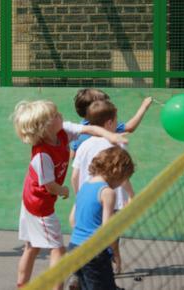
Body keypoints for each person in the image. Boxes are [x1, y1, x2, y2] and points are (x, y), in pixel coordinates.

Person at [11, 100, 127, 290]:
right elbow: (49, 186)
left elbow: (90, 130)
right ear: (45, 127)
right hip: (40, 207)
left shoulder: (62, 131)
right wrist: (63, 190)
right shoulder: (41, 156)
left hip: (32, 200)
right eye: (55, 115)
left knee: (32, 247)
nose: (60, 116)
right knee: (58, 249)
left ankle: (22, 286)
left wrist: (110, 136)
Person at [70, 100, 135, 276]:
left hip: (88, 197)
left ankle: (85, 269)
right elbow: (121, 174)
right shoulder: (115, 144)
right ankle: (114, 261)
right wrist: (131, 195)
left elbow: (74, 176)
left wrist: (79, 198)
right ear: (109, 123)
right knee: (109, 231)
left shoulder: (83, 145)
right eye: (116, 120)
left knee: (86, 230)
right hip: (108, 198)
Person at [69, 146, 135, 290]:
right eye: (124, 179)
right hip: (94, 252)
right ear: (117, 172)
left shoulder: (84, 187)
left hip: (74, 248)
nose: (121, 184)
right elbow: (107, 230)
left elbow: (72, 220)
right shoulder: (108, 192)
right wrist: (115, 253)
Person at [70, 88, 152, 158]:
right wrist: (144, 106)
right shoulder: (106, 124)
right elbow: (130, 127)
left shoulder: (79, 130)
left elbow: (73, 155)